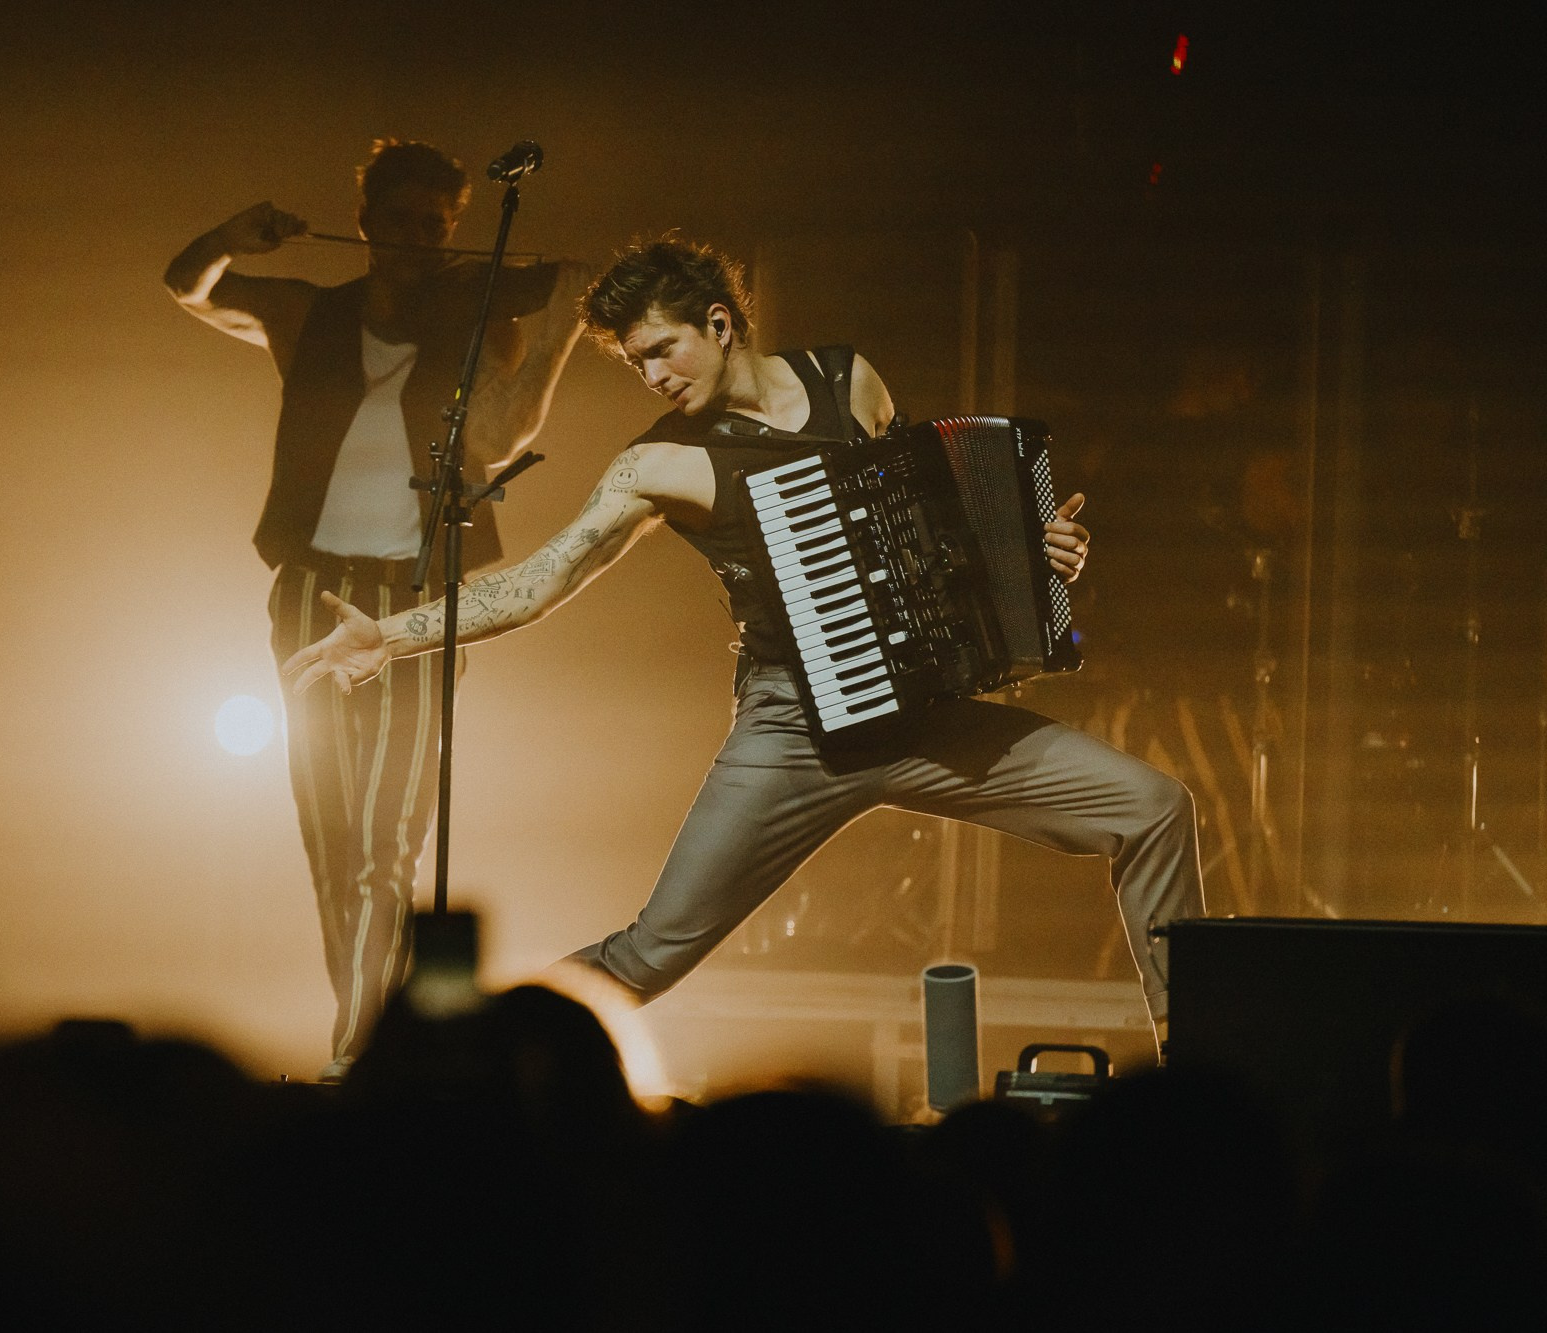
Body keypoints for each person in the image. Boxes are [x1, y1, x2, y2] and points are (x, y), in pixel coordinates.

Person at [281, 237, 1204, 1043]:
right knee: (653, 951)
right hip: (793, 729)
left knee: (1153, 805)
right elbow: (543, 578)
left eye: (662, 349)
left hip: (918, 715)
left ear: (720, 323)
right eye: (636, 362)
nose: (652, 377)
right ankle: (459, 1072)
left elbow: (940, 535)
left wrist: (1040, 558)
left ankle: (1191, 1069)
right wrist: (392, 635)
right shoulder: (660, 462)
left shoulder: (851, 380)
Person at [164, 140, 587, 1077]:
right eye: (403, 221)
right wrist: (234, 235)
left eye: (439, 227)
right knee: (332, 845)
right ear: (365, 225)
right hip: (312, 594)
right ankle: (371, 1051)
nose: (422, 241)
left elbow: (504, 433)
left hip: (413, 605)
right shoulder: (308, 312)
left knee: (387, 845)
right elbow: (186, 286)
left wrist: (558, 317)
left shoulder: (475, 323)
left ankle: (357, 1059)